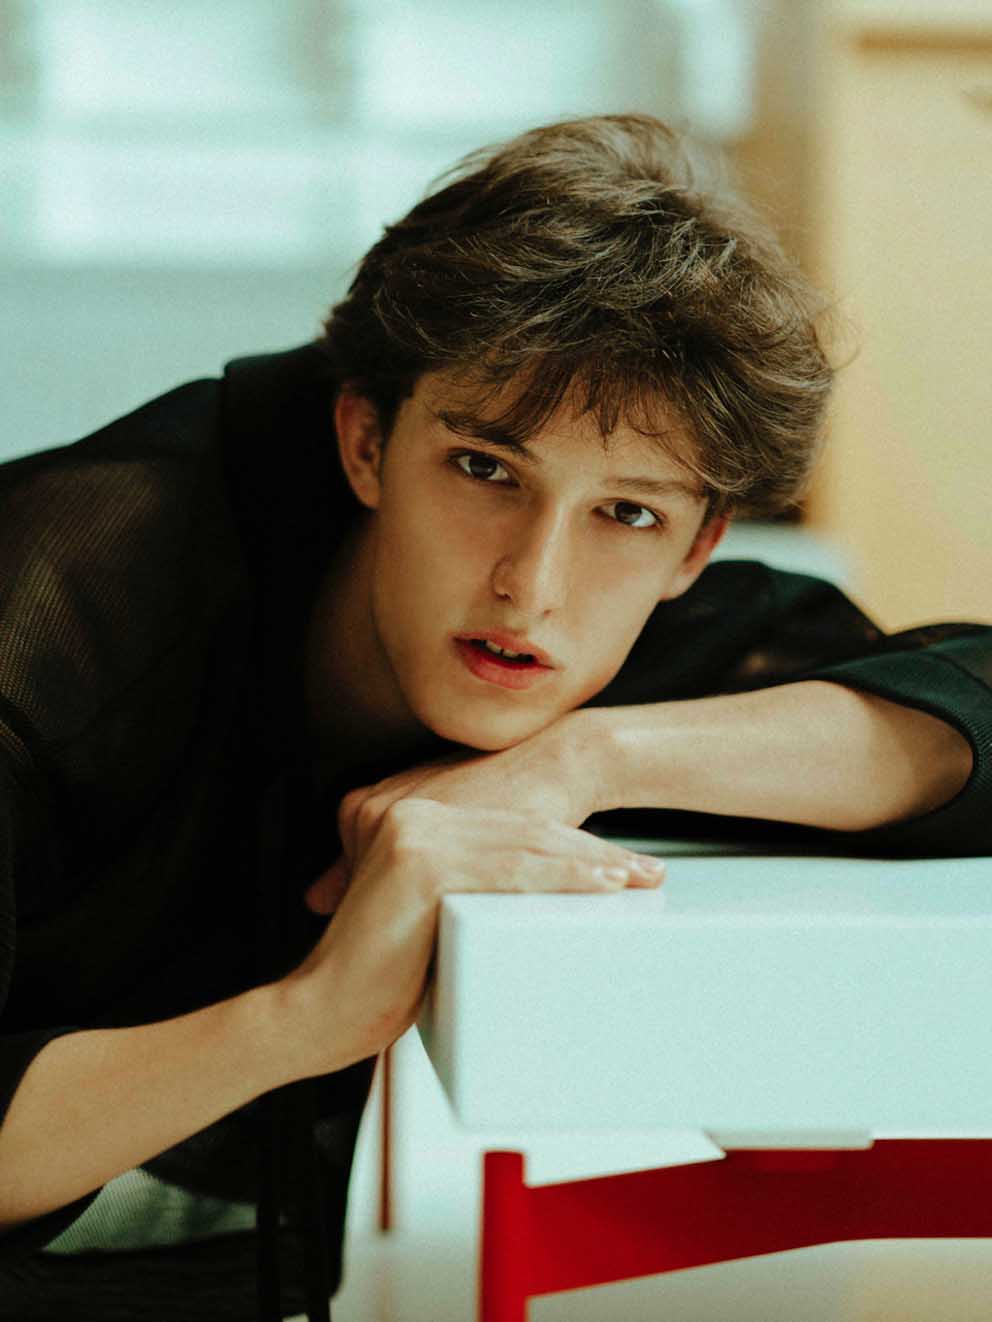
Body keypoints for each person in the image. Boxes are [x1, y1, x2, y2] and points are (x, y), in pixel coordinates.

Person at [0, 113, 988, 1322]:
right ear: (366, 440)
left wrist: (585, 756)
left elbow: (968, 698)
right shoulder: (57, 614)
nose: (533, 583)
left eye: (627, 512)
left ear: (695, 547)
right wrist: (308, 1017)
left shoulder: (609, 628)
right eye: (484, 469)